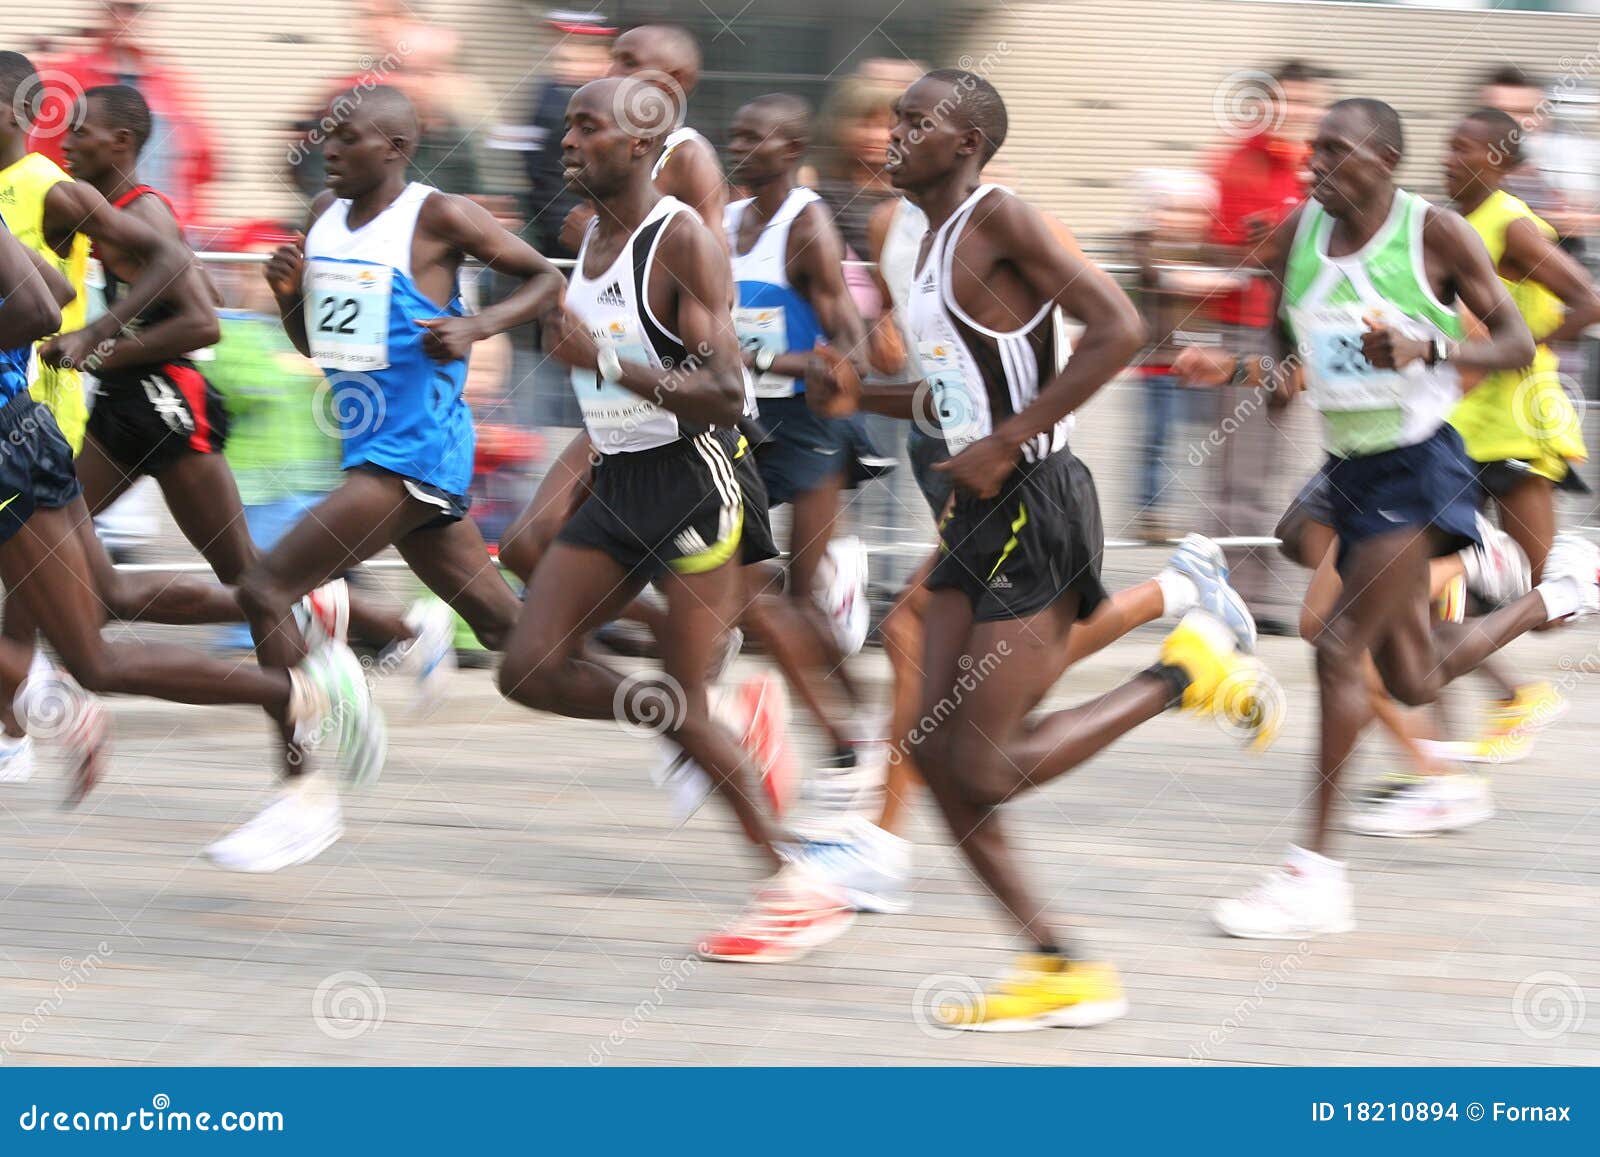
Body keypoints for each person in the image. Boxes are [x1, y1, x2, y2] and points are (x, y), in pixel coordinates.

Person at [807, 70, 1282, 1029]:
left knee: (982, 765)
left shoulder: (1002, 217)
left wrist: (1011, 438)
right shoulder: (925, 240)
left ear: (970, 140)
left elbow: (1119, 325)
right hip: (976, 510)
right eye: (891, 121)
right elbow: (957, 397)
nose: (893, 136)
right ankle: (1055, 963)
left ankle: (1179, 676)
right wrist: (859, 394)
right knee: (936, 755)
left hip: (1036, 501)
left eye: (916, 122)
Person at [1183, 99, 1599, 938]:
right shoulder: (1300, 237)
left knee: (1337, 646)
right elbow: (1289, 371)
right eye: (1312, 154)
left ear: (1385, 159)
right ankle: (1551, 596)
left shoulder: (1434, 233)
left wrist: (1430, 348)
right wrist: (1228, 372)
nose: (1314, 166)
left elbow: (1517, 343)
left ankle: (1314, 876)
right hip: (1349, 462)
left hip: (1421, 464)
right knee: (1409, 675)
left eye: (1335, 152)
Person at [496, 76, 854, 963]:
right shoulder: (588, 237)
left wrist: (607, 359)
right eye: (569, 125)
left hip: (696, 481)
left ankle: (793, 886)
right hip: (620, 478)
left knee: (687, 702)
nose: (568, 142)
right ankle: (698, 720)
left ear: (639, 144)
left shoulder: (679, 239)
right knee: (529, 669)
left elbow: (728, 392)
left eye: (588, 128)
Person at [223, 84, 565, 870]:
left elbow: (545, 278)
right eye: (323, 138)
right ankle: (680, 705)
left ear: (396, 149)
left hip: (414, 452)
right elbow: (318, 344)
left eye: (346, 138)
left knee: (265, 589)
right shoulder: (322, 216)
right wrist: (285, 299)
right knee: (518, 640)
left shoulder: (438, 215)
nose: (329, 149)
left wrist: (478, 325)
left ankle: (303, 794)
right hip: (366, 448)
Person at [0, 208, 381, 809]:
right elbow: (56, 286)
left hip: (43, 440)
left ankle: (301, 688)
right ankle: (47, 709)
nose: (74, 140)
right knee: (108, 601)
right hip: (33, 429)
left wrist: (90, 341)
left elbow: (47, 309)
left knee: (98, 658)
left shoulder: (103, 199)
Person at [723, 94, 882, 802]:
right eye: (735, 136)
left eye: (756, 140)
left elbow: (851, 341)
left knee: (800, 596)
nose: (740, 148)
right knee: (754, 588)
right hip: (751, 429)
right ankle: (851, 733)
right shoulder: (721, 222)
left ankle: (858, 732)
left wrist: (799, 365)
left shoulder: (805, 225)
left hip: (812, 427)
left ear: (791, 152)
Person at [1430, 106, 1600, 764]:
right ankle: (1486, 715)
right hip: (1464, 421)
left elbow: (1589, 298)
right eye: (1446, 144)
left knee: (1543, 594)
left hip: (1521, 421)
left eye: (1463, 148)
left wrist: (1524, 344)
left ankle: (1580, 574)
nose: (1447, 156)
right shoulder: (1454, 225)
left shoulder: (1511, 224)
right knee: (1428, 575)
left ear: (1499, 161)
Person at [1206, 60, 1331, 635]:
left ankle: (1260, 597)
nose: (1302, 114)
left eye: (1312, 105)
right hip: (1249, 332)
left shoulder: (1322, 170)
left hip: (1306, 336)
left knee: (1282, 469)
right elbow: (1228, 251)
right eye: (1293, 102)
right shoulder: (1239, 164)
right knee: (1239, 471)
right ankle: (1233, 595)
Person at [30, 0, 219, 227]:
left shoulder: (169, 84)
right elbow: (35, 150)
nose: (124, 18)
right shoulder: (65, 77)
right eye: (115, 7)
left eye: (135, 8)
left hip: (161, 223)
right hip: (87, 224)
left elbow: (202, 163)